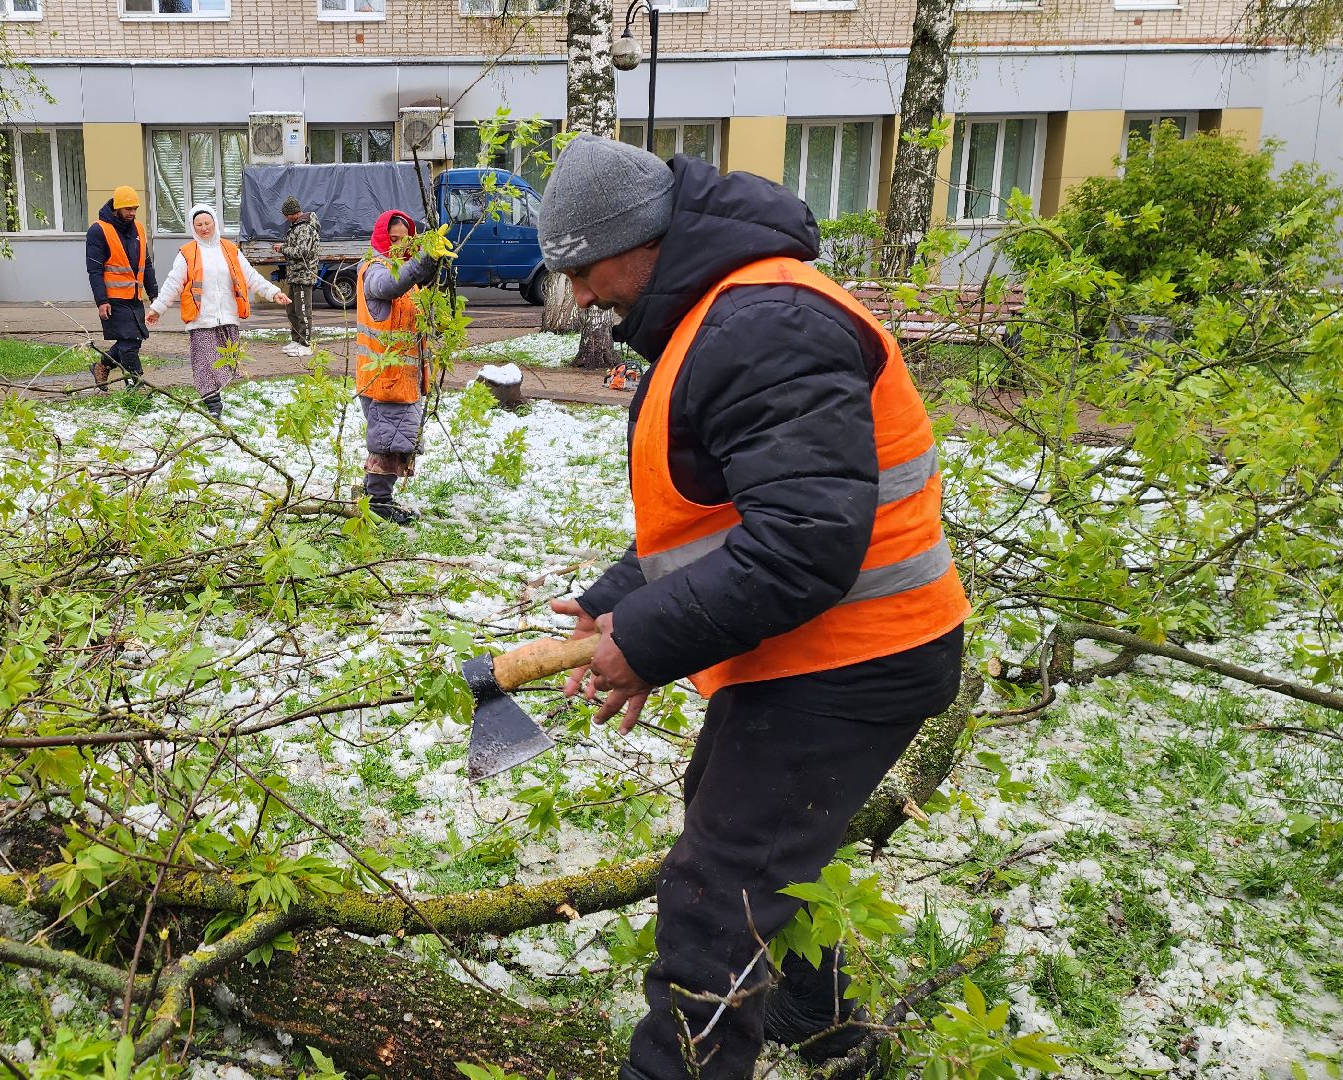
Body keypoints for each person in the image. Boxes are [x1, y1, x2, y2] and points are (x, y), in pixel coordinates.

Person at [537, 135, 971, 1079]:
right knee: (749, 838)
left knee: (718, 894)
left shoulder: (761, 321)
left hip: (857, 659)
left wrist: (645, 643)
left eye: (581, 269)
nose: (581, 296)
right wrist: (620, 599)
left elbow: (803, 543)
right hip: (835, 647)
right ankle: (824, 1028)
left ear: (633, 239)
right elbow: (726, 508)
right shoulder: (723, 314)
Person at [354, 210, 452, 525]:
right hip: (383, 378)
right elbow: (390, 285)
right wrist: (423, 261)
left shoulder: (407, 275)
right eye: (393, 239)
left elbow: (416, 298)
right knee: (388, 444)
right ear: (382, 237)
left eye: (405, 240)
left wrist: (434, 270)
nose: (398, 245)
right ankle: (378, 504)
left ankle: (374, 499)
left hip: (402, 379)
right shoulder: (374, 270)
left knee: (395, 442)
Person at [147, 205, 290, 419]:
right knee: (206, 361)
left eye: (207, 223)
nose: (204, 228)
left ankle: (214, 397)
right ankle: (213, 403)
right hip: (201, 318)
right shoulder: (187, 253)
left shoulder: (230, 250)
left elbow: (250, 276)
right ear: (193, 227)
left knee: (228, 362)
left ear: (215, 223)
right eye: (199, 225)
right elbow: (173, 283)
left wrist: (273, 292)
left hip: (228, 318)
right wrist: (157, 308)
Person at [85, 185, 158, 389]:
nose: (132, 213)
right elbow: (95, 270)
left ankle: (101, 365)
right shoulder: (98, 230)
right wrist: (102, 301)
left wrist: (154, 295)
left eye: (135, 208)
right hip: (113, 298)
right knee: (128, 344)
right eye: (128, 209)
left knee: (135, 340)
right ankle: (137, 385)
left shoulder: (139, 229)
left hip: (134, 297)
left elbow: (147, 263)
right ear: (116, 207)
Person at [270, 196, 321, 357]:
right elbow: (296, 247)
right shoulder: (297, 226)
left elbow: (301, 252)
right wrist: (285, 246)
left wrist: (283, 249)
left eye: (287, 215)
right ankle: (296, 340)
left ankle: (306, 344)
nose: (285, 218)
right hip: (295, 276)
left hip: (303, 275)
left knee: (303, 311)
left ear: (294, 213)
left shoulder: (305, 228)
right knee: (292, 309)